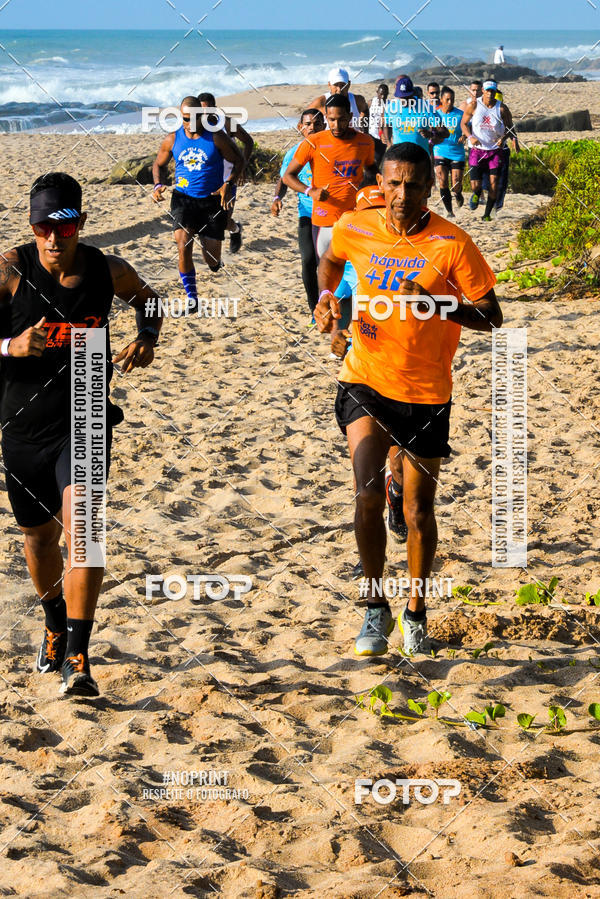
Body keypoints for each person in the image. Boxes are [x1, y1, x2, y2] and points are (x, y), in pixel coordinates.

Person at [314, 142, 501, 657]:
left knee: (418, 512)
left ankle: (416, 611)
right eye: (394, 184)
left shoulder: (452, 244)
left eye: (414, 186)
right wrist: (326, 305)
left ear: (429, 188)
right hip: (364, 378)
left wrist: (439, 304)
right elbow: (329, 264)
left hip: (424, 393)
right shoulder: (356, 225)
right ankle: (375, 609)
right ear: (382, 182)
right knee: (367, 495)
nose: (402, 195)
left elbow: (491, 315)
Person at [0, 172, 164, 696]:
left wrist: (146, 337)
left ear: (81, 224)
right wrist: (11, 346)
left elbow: (150, 299)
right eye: (43, 226)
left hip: (88, 406)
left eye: (64, 225)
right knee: (40, 537)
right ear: (31, 225)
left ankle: (78, 653)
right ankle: (53, 622)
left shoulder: (106, 269)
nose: (54, 237)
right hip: (23, 421)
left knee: (86, 532)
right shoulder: (10, 272)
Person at [151, 96, 243, 309]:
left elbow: (238, 160)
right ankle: (192, 298)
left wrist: (228, 183)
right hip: (183, 199)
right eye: (185, 118)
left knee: (212, 261)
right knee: (183, 245)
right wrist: (157, 185)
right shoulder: (173, 139)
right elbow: (159, 164)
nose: (190, 123)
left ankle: (215, 259)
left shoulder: (216, 138)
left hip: (212, 201)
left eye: (194, 118)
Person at [282, 94, 376, 262]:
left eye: (341, 119)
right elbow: (288, 176)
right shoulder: (313, 142)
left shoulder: (365, 142)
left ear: (350, 117)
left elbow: (371, 172)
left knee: (354, 278)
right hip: (324, 220)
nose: (337, 125)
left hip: (354, 221)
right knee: (326, 279)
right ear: (326, 118)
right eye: (332, 120)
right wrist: (310, 191)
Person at [270, 108, 325, 316]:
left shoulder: (331, 149)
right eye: (308, 124)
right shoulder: (294, 153)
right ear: (300, 128)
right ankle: (315, 310)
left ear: (324, 126)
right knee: (308, 260)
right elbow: (284, 178)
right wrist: (277, 198)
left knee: (329, 262)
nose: (312, 128)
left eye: (317, 124)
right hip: (307, 214)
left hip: (333, 216)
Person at [198, 92, 254, 254]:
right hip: (207, 180)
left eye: (207, 109)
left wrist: (242, 166)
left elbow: (248, 141)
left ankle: (236, 230)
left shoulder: (226, 123)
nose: (204, 113)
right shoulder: (196, 127)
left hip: (227, 180)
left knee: (223, 221)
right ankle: (212, 254)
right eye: (200, 110)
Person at [461, 79, 518, 221]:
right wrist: (470, 137)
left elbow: (510, 128)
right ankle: (476, 194)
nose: (490, 93)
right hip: (477, 150)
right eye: (488, 91)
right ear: (483, 91)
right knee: (476, 185)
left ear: (495, 92)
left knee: (494, 184)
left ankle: (487, 214)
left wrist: (504, 138)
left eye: (493, 91)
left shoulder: (502, 109)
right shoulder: (474, 105)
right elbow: (463, 123)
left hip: (494, 151)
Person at [382, 75, 448, 151]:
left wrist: (431, 134)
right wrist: (389, 144)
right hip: (399, 157)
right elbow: (386, 125)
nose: (404, 100)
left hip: (419, 158)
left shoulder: (426, 107)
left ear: (412, 94)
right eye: (401, 97)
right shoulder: (391, 107)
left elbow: (445, 133)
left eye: (406, 97)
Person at [433, 86, 466, 217]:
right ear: (441, 99)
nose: (450, 102)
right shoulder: (436, 114)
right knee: (442, 180)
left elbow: (468, 128)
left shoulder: (460, 114)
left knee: (456, 184)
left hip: (457, 152)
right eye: (447, 100)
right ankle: (449, 211)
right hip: (440, 150)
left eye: (452, 99)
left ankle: (458, 193)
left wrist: (464, 136)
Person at [309, 67, 370, 133]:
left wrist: (366, 131)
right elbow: (303, 124)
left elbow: (365, 111)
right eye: (335, 85)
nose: (339, 89)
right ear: (329, 84)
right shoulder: (320, 103)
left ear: (349, 84)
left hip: (354, 142)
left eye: (342, 85)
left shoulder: (357, 100)